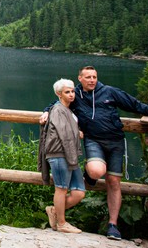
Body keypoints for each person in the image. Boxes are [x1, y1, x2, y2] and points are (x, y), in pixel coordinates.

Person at [40, 65, 148, 240]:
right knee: (97, 171)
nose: (92, 80)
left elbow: (134, 104)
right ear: (80, 79)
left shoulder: (110, 92)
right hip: (93, 140)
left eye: (94, 77)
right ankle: (89, 175)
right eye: (88, 77)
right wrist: (46, 111)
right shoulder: (75, 94)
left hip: (115, 142)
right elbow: (58, 102)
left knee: (114, 181)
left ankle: (113, 225)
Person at [39, 79, 85, 234]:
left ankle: (53, 211)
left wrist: (77, 132)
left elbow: (69, 131)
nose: (71, 94)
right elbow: (63, 135)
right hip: (60, 154)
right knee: (61, 189)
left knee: (79, 191)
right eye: (67, 92)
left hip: (70, 154)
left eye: (72, 91)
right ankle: (61, 223)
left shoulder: (69, 110)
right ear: (59, 94)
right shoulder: (58, 110)